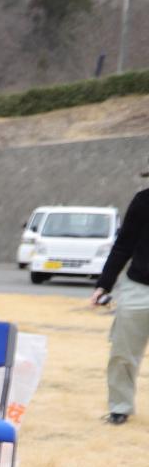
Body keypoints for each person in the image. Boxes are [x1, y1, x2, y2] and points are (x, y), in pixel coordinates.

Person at [93, 166, 149, 425]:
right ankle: (120, 407)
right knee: (123, 352)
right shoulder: (143, 201)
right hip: (138, 287)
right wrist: (104, 284)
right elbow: (123, 244)